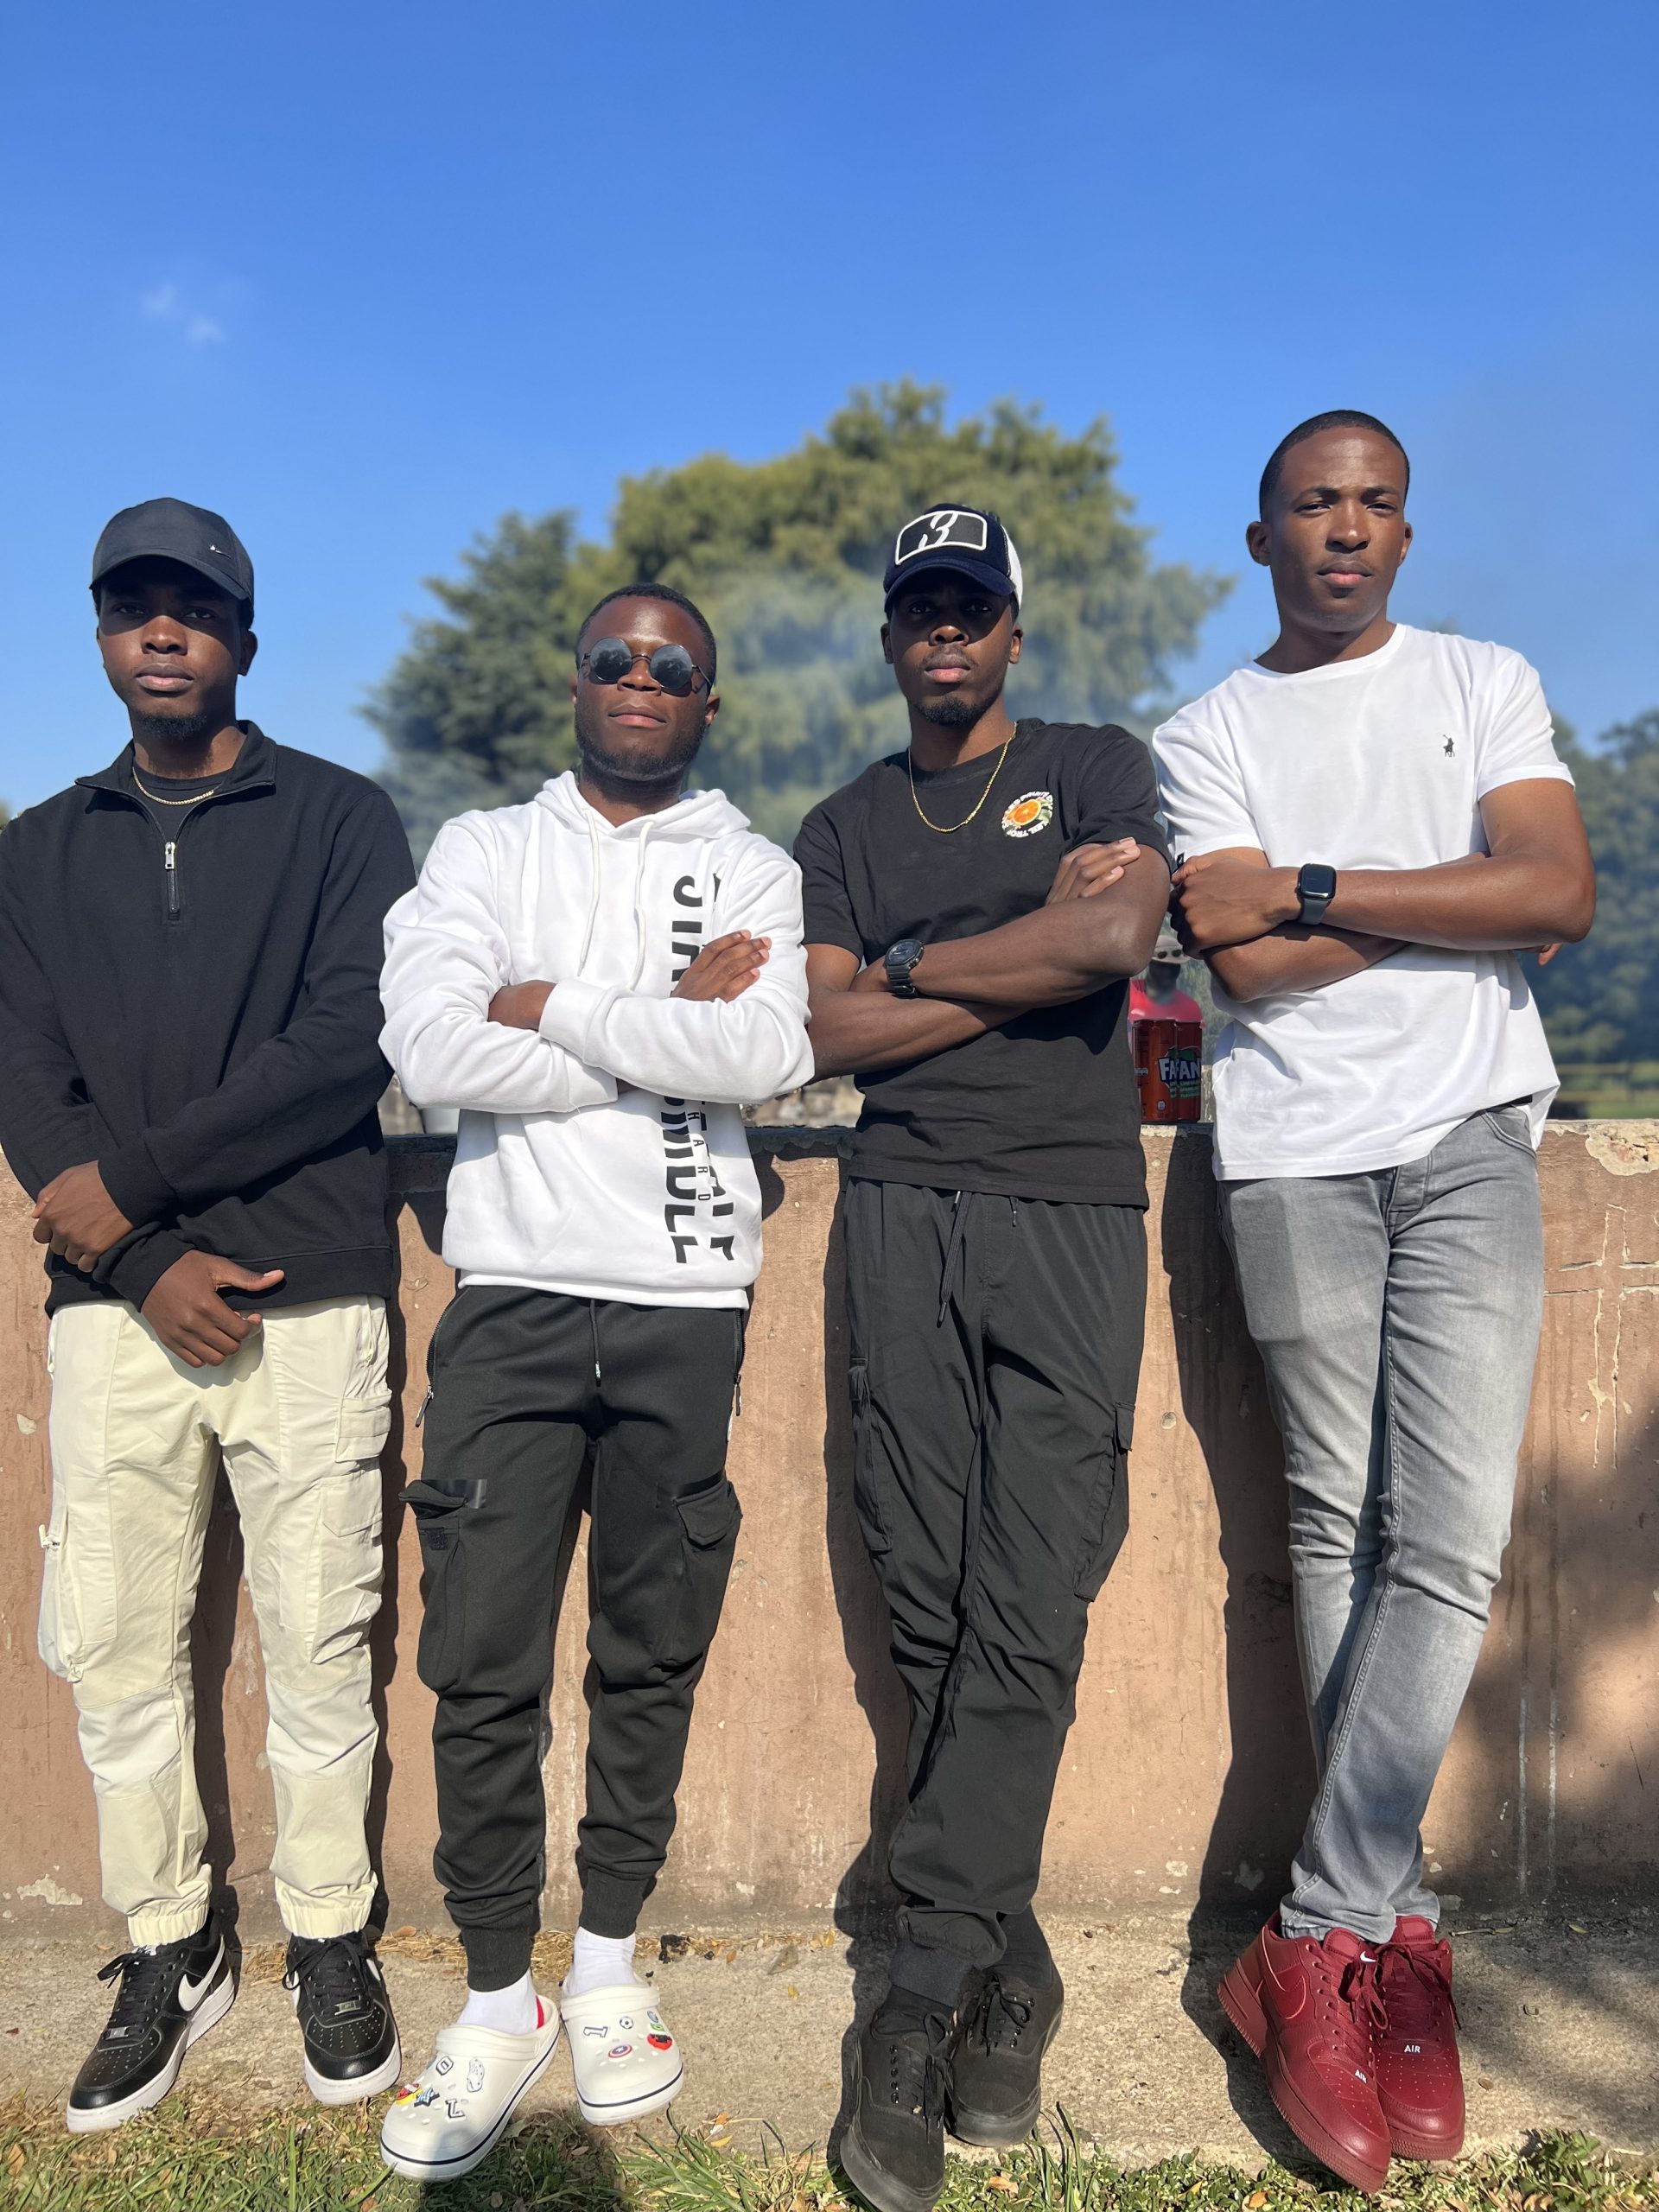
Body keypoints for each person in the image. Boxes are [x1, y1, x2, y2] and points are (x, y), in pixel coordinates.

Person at [1155, 411, 1594, 2194]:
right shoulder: (1207, 733)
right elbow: (1243, 964)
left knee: (1450, 1537)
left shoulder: (1486, 681)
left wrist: (1320, 881)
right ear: (1260, 535)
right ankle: (1389, 1926)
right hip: (1290, 1155)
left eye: (1376, 503)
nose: (1345, 529)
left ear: (1406, 531)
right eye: (1312, 505)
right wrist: (1460, 905)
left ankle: (1314, 1926)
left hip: (1471, 1136)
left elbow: (1557, 889)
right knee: (1334, 1524)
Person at [377, 583, 812, 2186]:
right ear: (575, 681)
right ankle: (501, 1996)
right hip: (511, 1300)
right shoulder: (486, 849)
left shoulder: (754, 866)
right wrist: (657, 1030)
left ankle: (612, 1962)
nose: (640, 676)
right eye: (614, 658)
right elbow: (431, 1052)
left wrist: (550, 1007)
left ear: (707, 700)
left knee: (650, 1651)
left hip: (687, 1301)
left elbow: (764, 1056)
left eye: (672, 664)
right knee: (481, 1662)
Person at [0, 499, 416, 2131]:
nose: (162, 631)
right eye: (132, 607)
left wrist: (138, 1190)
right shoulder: (35, 850)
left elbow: (346, 1041)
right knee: (117, 1642)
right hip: (114, 1313)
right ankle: (172, 1943)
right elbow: (24, 1075)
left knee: (318, 1639)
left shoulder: (341, 819)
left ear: (244, 636)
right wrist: (135, 1260)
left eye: (193, 608)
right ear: (104, 636)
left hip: (308, 1297)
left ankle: (328, 1936)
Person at [796, 506, 1169, 2212]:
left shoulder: (1094, 767)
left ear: (1012, 628)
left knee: (1035, 1586)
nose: (945, 631)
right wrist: (1010, 955)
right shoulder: (843, 823)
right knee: (929, 1603)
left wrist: (913, 971)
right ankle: (1014, 1973)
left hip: (1070, 1214)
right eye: (919, 609)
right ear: (892, 637)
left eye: (972, 606)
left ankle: (921, 1988)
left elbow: (1112, 943)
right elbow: (825, 1027)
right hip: (899, 1212)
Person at [1128, 925, 1202, 1025]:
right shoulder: (1127, 994)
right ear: (1149, 963)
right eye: (1162, 965)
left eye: (1173, 965)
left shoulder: (1190, 1008)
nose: (1168, 970)